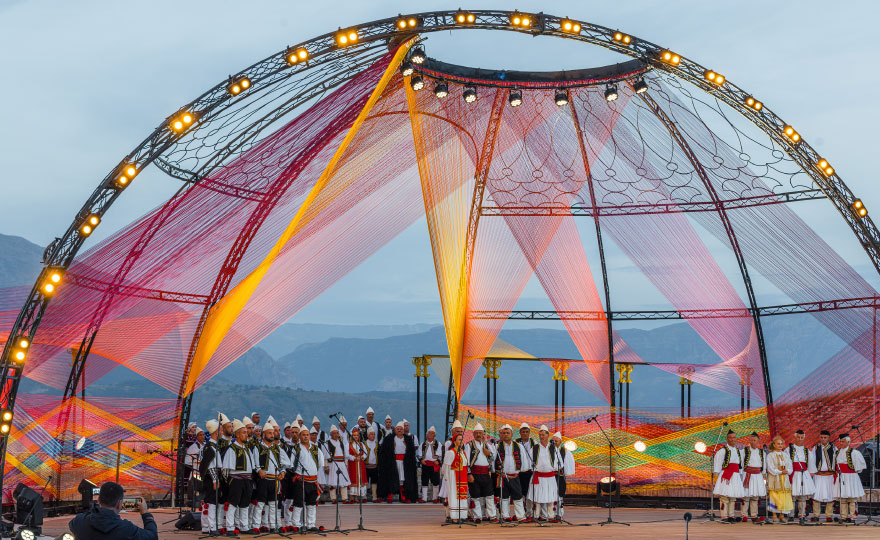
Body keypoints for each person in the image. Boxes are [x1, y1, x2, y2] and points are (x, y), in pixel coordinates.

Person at [69, 482, 158, 540]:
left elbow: (72, 524)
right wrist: (146, 514)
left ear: (99, 500)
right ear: (119, 504)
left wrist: (95, 509)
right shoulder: (127, 529)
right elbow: (153, 536)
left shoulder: (80, 521)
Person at [222, 418, 260, 535]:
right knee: (233, 504)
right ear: (237, 435)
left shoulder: (247, 449)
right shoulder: (232, 449)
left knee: (245, 504)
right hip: (236, 479)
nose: (246, 434)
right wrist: (229, 482)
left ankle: (244, 526)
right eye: (243, 432)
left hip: (247, 480)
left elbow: (253, 465)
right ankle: (229, 527)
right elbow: (226, 469)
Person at [254, 421, 288, 533]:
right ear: (264, 434)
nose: (272, 435)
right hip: (263, 479)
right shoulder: (258, 447)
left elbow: (284, 463)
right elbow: (254, 462)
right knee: (260, 504)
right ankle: (256, 526)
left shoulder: (277, 448)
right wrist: (259, 470)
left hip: (275, 480)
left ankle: (274, 526)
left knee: (274, 504)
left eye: (273, 433)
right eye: (269, 433)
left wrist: (282, 472)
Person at [290, 425, 325, 532]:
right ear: (300, 436)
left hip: (313, 481)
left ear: (310, 436)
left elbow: (320, 464)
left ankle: (311, 524)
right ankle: (296, 524)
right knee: (298, 503)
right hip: (301, 480)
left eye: (307, 435)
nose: (306, 437)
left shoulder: (316, 449)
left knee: (312, 503)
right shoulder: (295, 449)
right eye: (303, 435)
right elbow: (292, 465)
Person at [377, 421, 418, 503]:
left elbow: (411, 453)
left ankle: (403, 496)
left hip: (404, 463)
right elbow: (384, 452)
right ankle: (390, 495)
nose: (399, 430)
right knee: (391, 479)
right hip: (393, 462)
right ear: (395, 430)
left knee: (403, 480)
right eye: (398, 429)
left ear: (403, 430)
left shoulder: (408, 439)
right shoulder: (389, 439)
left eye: (401, 429)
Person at [526, 425, 559, 522]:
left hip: (550, 476)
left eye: (543, 435)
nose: (541, 436)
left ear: (548, 436)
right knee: (537, 496)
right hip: (538, 476)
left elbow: (558, 461)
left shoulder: (554, 448)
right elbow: (529, 461)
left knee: (550, 496)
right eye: (540, 435)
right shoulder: (534, 448)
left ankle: (551, 515)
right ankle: (536, 515)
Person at [466, 423, 497, 522]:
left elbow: (494, 459)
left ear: (484, 434)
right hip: (474, 473)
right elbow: (466, 461)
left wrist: (489, 454)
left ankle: (492, 516)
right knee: (476, 496)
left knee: (489, 495)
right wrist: (469, 474)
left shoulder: (488, 445)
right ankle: (477, 516)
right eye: (477, 433)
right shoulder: (469, 445)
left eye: (480, 433)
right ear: (473, 434)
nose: (479, 435)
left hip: (486, 474)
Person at [713, 429, 744, 524]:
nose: (732, 440)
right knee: (724, 497)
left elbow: (740, 464)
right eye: (730, 438)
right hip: (726, 475)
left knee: (733, 496)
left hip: (735, 475)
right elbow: (718, 463)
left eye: (734, 438)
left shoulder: (738, 451)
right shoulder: (722, 450)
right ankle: (724, 516)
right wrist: (718, 475)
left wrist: (740, 474)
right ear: (727, 439)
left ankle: (731, 515)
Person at [494, 424, 525, 522]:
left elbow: (523, 459)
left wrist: (521, 470)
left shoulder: (519, 446)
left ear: (512, 434)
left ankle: (520, 516)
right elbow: (492, 461)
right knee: (504, 497)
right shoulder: (495, 446)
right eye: (503, 433)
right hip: (502, 476)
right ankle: (505, 516)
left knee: (518, 496)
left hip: (515, 476)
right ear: (500, 435)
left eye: (508, 433)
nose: (505, 435)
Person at [834, 433, 866, 523]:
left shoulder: (854, 453)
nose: (841, 443)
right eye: (840, 441)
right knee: (842, 498)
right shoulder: (837, 453)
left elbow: (859, 468)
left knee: (852, 498)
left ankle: (852, 516)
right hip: (841, 476)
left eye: (843, 441)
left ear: (848, 442)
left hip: (851, 477)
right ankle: (843, 516)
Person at [199, 420, 222, 535]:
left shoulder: (212, 446)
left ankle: (205, 527)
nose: (222, 432)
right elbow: (211, 466)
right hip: (212, 477)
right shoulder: (210, 448)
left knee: (209, 501)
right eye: (220, 430)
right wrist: (215, 479)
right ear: (215, 432)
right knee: (212, 503)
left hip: (212, 477)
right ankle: (212, 527)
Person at [441, 432, 469, 523]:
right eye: (459, 440)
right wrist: (447, 477)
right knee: (454, 496)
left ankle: (461, 515)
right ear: (454, 441)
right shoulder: (451, 452)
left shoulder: (463, 452)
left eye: (462, 440)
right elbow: (446, 466)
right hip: (453, 477)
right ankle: (454, 517)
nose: (461, 442)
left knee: (462, 497)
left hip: (463, 476)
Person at [810, 429, 836, 522]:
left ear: (829, 438)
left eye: (825, 437)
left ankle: (829, 515)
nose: (823, 439)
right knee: (816, 496)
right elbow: (812, 461)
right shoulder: (815, 448)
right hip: (818, 475)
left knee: (830, 495)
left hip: (829, 475)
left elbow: (835, 460)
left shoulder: (833, 447)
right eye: (821, 437)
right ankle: (816, 515)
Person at [788, 429, 814, 521]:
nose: (799, 439)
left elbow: (811, 464)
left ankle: (802, 515)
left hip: (803, 474)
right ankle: (790, 515)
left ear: (804, 438)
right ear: (795, 437)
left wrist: (809, 476)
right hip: (793, 474)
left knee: (802, 497)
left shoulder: (807, 451)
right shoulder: (789, 449)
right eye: (798, 437)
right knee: (792, 496)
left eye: (801, 438)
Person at [766, 434, 793, 523]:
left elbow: (790, 466)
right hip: (775, 479)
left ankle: (782, 515)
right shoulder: (771, 455)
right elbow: (770, 468)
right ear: (774, 445)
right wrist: (780, 472)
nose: (780, 445)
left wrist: (787, 471)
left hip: (784, 479)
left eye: (781, 444)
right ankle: (774, 515)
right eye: (778, 444)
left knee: (783, 497)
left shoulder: (786, 455)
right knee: (774, 497)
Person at [740, 432, 766, 523]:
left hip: (757, 476)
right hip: (747, 474)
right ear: (749, 441)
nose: (753, 442)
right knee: (746, 497)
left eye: (754, 440)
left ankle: (754, 515)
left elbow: (764, 464)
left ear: (758, 441)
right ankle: (744, 515)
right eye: (751, 440)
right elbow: (741, 464)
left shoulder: (761, 452)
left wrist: (763, 474)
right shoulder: (744, 451)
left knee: (755, 497)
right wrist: (741, 474)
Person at [323, 425, 351, 503]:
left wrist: (346, 465)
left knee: (344, 482)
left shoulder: (341, 443)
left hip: (342, 464)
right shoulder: (327, 443)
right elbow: (325, 457)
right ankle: (333, 498)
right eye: (334, 433)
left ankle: (345, 498)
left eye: (337, 433)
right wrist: (326, 466)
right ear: (331, 434)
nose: (336, 435)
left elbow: (345, 455)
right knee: (333, 482)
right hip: (332, 464)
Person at [552, 432, 575, 520]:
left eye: (556, 441)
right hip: (550, 476)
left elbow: (567, 465)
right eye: (553, 441)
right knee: (551, 495)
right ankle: (550, 514)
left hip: (560, 476)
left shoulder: (564, 451)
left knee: (560, 495)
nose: (554, 442)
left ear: (560, 441)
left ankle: (559, 514)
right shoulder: (548, 450)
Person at [517, 423, 536, 518]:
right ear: (519, 433)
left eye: (526, 432)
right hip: (518, 473)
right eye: (523, 432)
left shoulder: (534, 443)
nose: (525, 434)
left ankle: (529, 512)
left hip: (530, 473)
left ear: (529, 433)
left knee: (529, 493)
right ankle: (521, 513)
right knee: (519, 494)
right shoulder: (515, 443)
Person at [419, 426, 442, 503]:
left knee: (435, 482)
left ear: (434, 435)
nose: (430, 434)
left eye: (432, 433)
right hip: (425, 465)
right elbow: (419, 454)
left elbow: (441, 454)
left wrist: (438, 461)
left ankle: (435, 498)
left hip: (434, 465)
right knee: (424, 481)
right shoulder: (422, 444)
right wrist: (421, 459)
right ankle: (424, 498)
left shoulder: (438, 444)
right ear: (426, 434)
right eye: (429, 433)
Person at [347, 427, 368, 503]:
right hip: (352, 464)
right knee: (352, 479)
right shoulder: (348, 444)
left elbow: (366, 453)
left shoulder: (361, 444)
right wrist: (353, 458)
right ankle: (351, 497)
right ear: (352, 436)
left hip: (360, 464)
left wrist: (363, 457)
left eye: (357, 435)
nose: (356, 437)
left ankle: (356, 497)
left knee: (359, 479)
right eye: (354, 435)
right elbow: (346, 454)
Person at [364, 427, 380, 502]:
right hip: (366, 467)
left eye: (374, 434)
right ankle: (364, 497)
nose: (373, 435)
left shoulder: (377, 444)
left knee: (374, 482)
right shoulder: (363, 444)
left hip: (375, 467)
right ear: (367, 435)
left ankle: (374, 497)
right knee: (365, 482)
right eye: (371, 434)